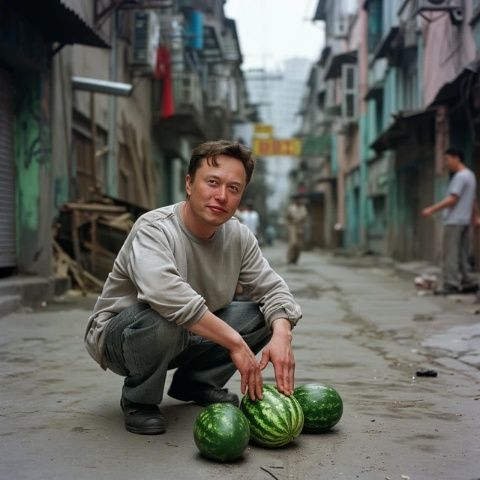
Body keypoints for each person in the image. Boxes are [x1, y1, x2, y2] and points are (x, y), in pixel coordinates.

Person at [85, 140, 302, 435]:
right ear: (189, 184)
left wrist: (282, 334)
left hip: (186, 335)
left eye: (233, 188)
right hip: (123, 337)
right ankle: (139, 399)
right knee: (163, 316)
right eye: (212, 182)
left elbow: (274, 290)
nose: (221, 196)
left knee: (263, 315)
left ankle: (196, 383)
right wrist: (235, 343)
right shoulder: (155, 228)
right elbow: (166, 296)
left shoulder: (239, 236)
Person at [421, 147, 479, 294]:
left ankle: (451, 284)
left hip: (454, 221)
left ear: (456, 158)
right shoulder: (471, 175)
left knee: (451, 254)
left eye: (447, 159)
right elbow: (472, 200)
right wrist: (475, 218)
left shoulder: (460, 176)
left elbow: (453, 199)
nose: (446, 163)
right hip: (465, 221)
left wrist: (431, 209)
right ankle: (468, 281)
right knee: (463, 254)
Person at [285, 195, 308, 264]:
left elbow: (304, 217)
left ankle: (295, 259)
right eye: (297, 200)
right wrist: (289, 226)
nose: (298, 201)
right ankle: (289, 258)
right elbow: (287, 218)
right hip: (293, 226)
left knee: (299, 245)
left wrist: (301, 221)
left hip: (300, 227)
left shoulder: (303, 208)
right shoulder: (291, 208)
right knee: (293, 243)